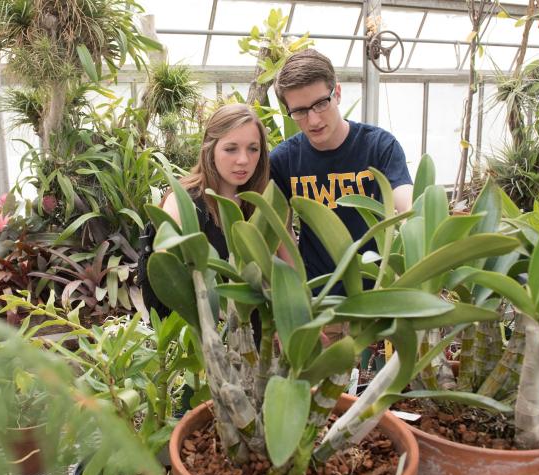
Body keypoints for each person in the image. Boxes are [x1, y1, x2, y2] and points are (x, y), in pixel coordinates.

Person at [269, 49, 413, 342]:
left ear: (336, 93)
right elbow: (281, 235)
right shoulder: (284, 161)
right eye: (299, 111)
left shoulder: (379, 147)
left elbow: (408, 208)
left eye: (320, 103)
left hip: (379, 302)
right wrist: (299, 299)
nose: (312, 120)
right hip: (323, 306)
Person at [137, 103, 270, 345]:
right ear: (210, 149)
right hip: (195, 346)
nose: (244, 160)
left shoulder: (257, 204)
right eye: (231, 149)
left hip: (250, 345)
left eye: (253, 149)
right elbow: (170, 278)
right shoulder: (185, 203)